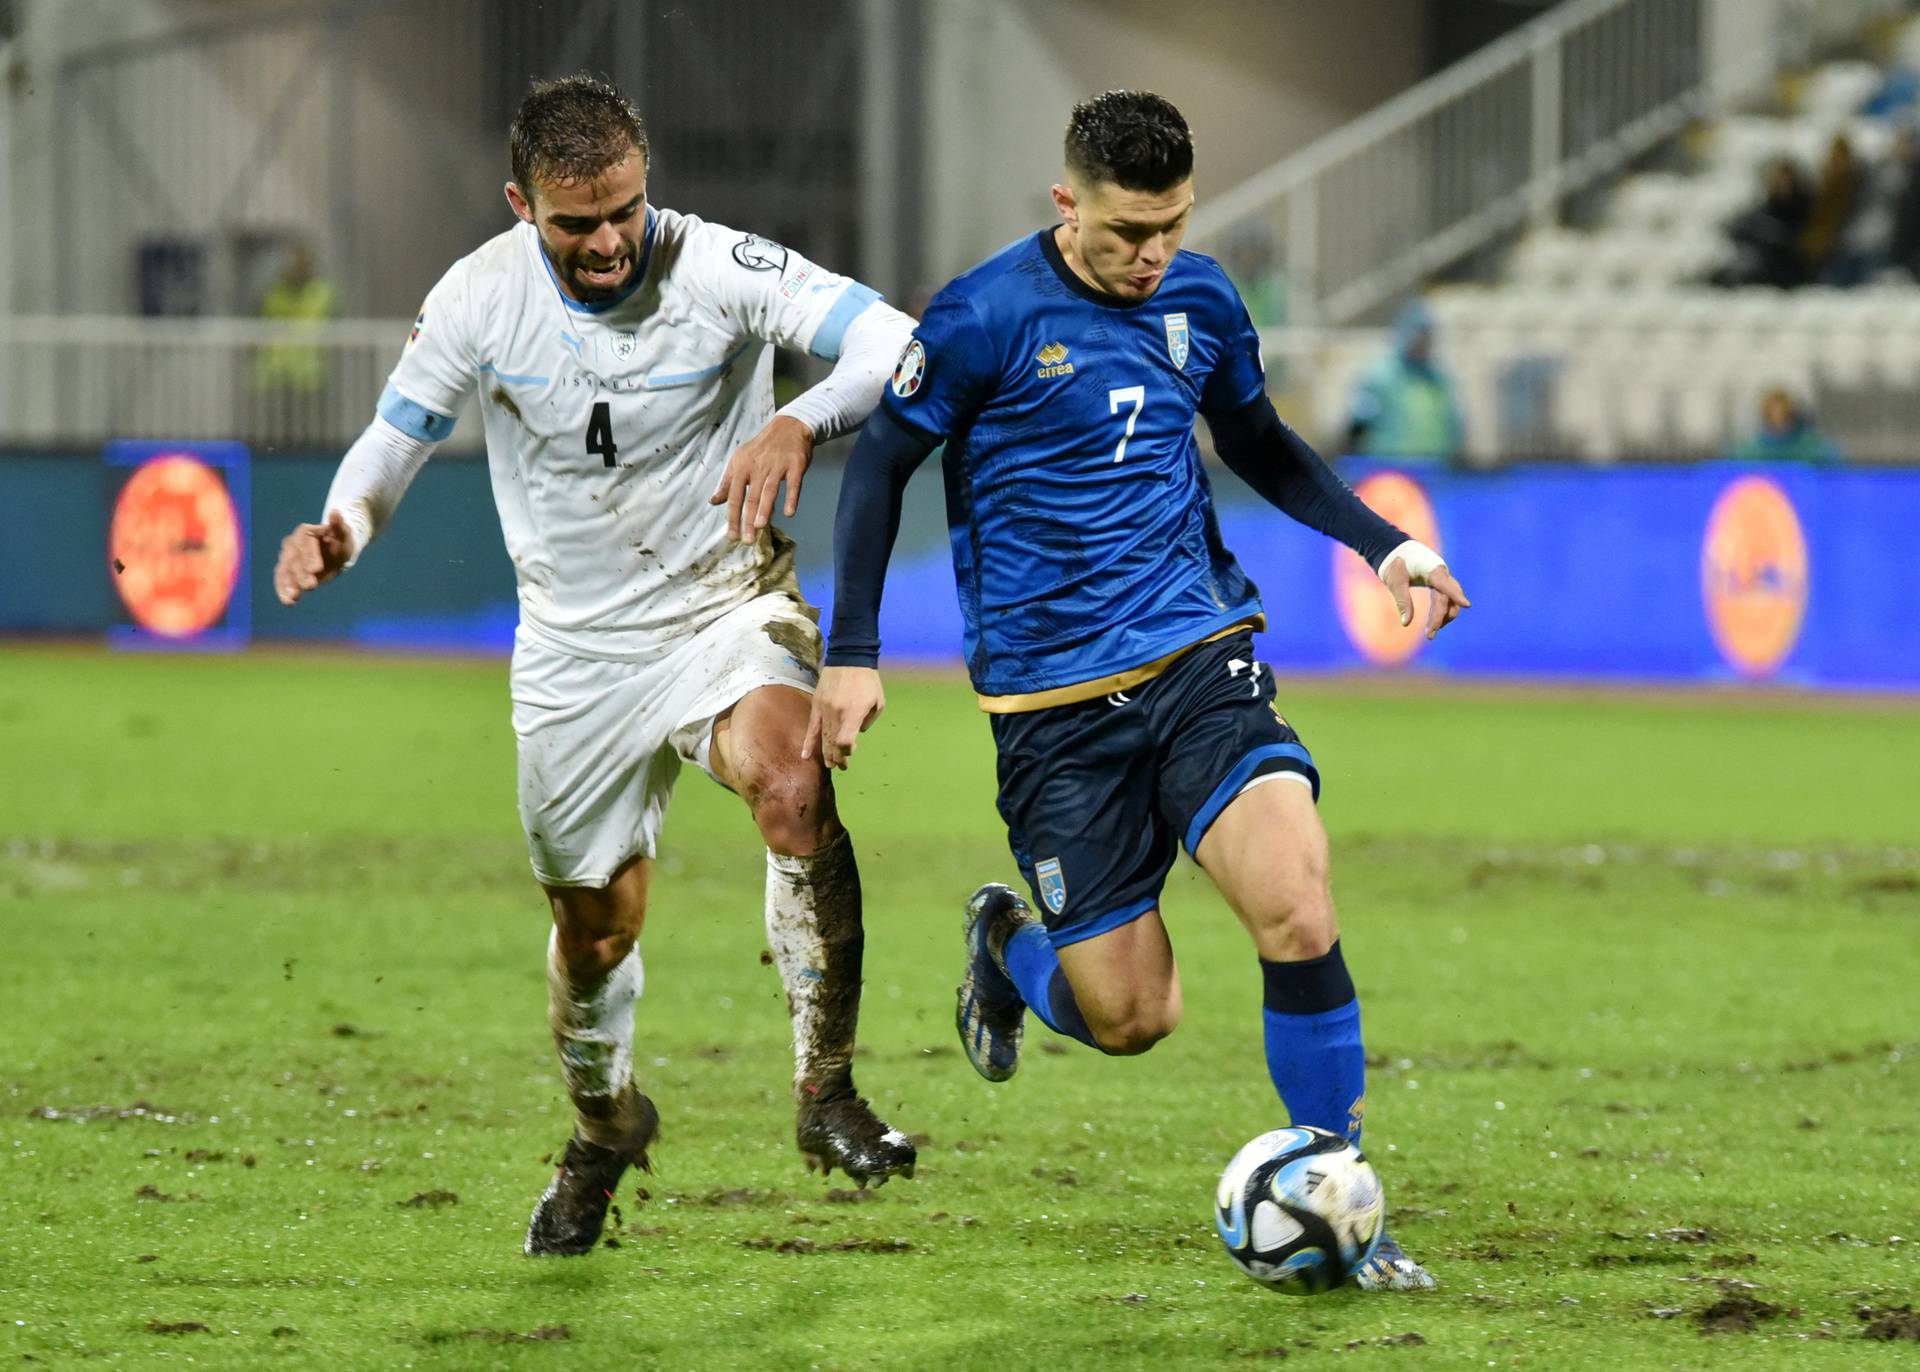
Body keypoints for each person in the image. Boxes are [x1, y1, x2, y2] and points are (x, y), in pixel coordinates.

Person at [807, 90, 1470, 1292]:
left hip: (1197, 654)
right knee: (1130, 1014)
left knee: (1297, 902)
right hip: (1052, 713)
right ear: (1068, 204)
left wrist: (1382, 545)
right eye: (1125, 231)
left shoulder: (1201, 299)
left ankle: (1338, 1192)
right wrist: (852, 645)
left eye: (1169, 225)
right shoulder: (981, 316)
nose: (1150, 253)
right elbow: (883, 466)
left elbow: (1259, 442)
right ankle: (1007, 949)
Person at [272, 76, 920, 1256]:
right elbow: (396, 436)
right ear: (524, 205)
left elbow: (894, 342)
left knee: (792, 782)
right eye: (578, 222)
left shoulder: (719, 265)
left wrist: (799, 418)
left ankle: (825, 1093)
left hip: (723, 610)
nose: (611, 238)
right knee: (596, 932)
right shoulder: (478, 295)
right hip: (573, 656)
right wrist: (342, 527)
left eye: (626, 207)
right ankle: (604, 1126)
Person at [1344, 299, 1464, 462]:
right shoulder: (1381, 376)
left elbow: (1455, 425)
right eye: (1418, 335)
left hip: (1436, 471)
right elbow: (1357, 426)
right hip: (1388, 470)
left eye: (1427, 336)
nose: (1423, 342)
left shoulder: (1438, 379)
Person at [1727, 387, 1842, 464]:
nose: (1778, 418)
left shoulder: (1814, 447)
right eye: (1773, 413)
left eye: (1784, 414)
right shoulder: (1748, 449)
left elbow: (1837, 472)